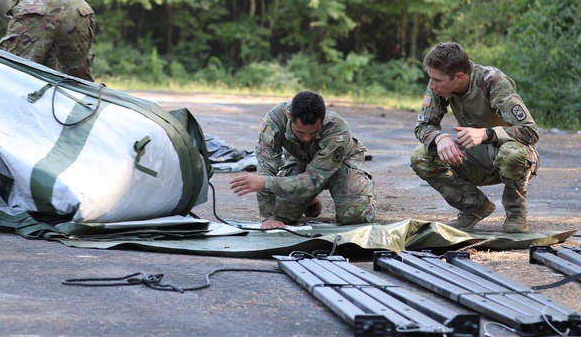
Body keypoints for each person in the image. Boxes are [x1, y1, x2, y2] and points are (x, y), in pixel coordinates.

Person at [411, 42, 539, 233]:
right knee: (421, 156)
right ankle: (474, 207)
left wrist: (488, 133)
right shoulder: (439, 86)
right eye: (430, 78)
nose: (431, 84)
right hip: (473, 158)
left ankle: (515, 214)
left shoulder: (494, 82)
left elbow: (530, 131)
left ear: (459, 76)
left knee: (513, 154)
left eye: (437, 80)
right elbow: (423, 126)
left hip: (507, 155)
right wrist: (440, 138)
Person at [230, 90, 376, 229]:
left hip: (341, 164)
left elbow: (314, 179)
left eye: (313, 132)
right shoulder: (275, 122)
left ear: (322, 120)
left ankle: (363, 194)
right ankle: (309, 201)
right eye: (300, 132)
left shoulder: (337, 129)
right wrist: (267, 217)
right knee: (280, 215)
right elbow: (266, 169)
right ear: (289, 116)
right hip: (302, 160)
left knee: (354, 215)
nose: (307, 138)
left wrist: (265, 182)